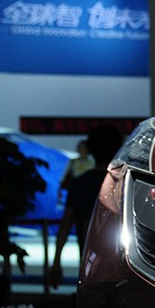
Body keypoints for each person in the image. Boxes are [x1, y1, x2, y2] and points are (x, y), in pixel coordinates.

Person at [48, 124, 123, 290]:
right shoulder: (124, 185)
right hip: (121, 269)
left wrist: (56, 262)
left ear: (90, 149)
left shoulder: (79, 184)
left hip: (88, 268)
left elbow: (65, 225)